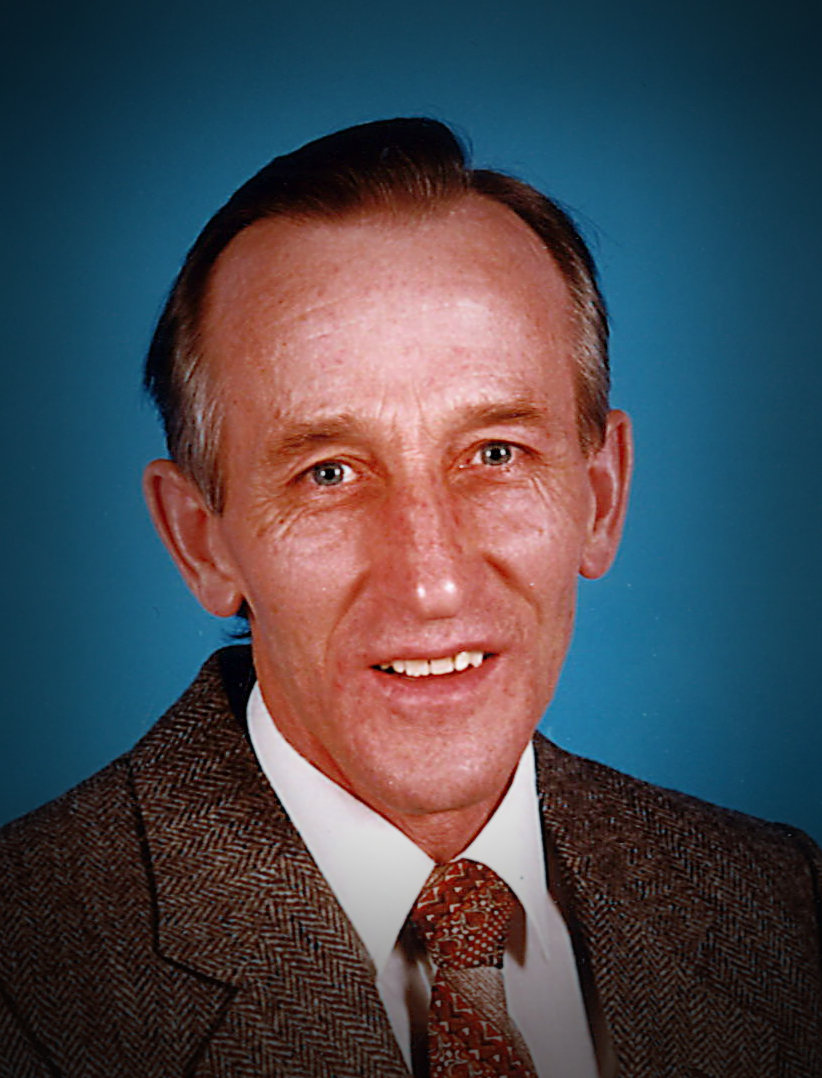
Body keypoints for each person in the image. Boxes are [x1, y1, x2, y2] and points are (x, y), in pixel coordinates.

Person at [1, 118, 820, 1078]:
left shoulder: (782, 907)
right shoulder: (28, 974)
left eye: (496, 453)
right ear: (201, 540)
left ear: (600, 498)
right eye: (329, 473)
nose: (432, 583)